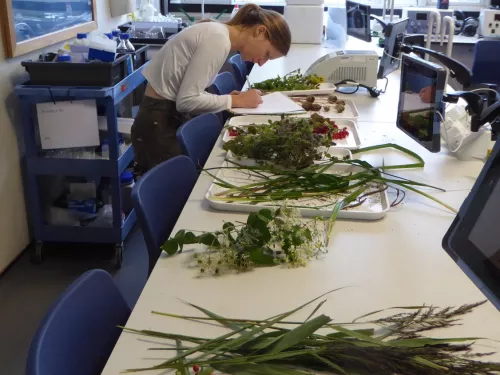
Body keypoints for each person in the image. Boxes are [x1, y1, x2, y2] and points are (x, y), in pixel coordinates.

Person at [131, 4, 292, 174]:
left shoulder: (219, 34)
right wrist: (235, 100)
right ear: (260, 31)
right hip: (158, 124)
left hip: (161, 115)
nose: (261, 62)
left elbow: (188, 90)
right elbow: (187, 101)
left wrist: (230, 99)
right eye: (267, 54)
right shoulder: (217, 40)